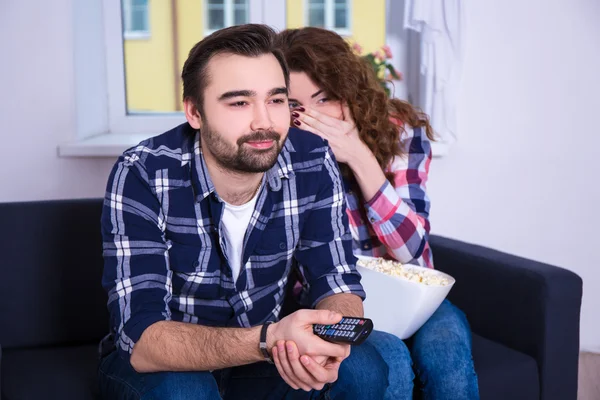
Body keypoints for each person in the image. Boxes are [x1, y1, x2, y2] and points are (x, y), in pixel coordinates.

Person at [98, 23, 403, 400]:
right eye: (239, 102)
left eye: (276, 100)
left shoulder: (311, 159)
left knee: (362, 368)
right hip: (165, 365)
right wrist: (267, 339)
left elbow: (335, 279)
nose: (264, 121)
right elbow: (141, 337)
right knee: (183, 390)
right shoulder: (143, 171)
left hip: (263, 357)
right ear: (195, 112)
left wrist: (329, 338)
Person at [276, 27, 480, 399]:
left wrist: (358, 155)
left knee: (448, 362)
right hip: (342, 306)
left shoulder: (399, 131)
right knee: (389, 362)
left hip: (416, 295)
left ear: (348, 90)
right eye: (295, 106)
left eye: (324, 99)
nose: (312, 117)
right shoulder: (281, 152)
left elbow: (413, 251)